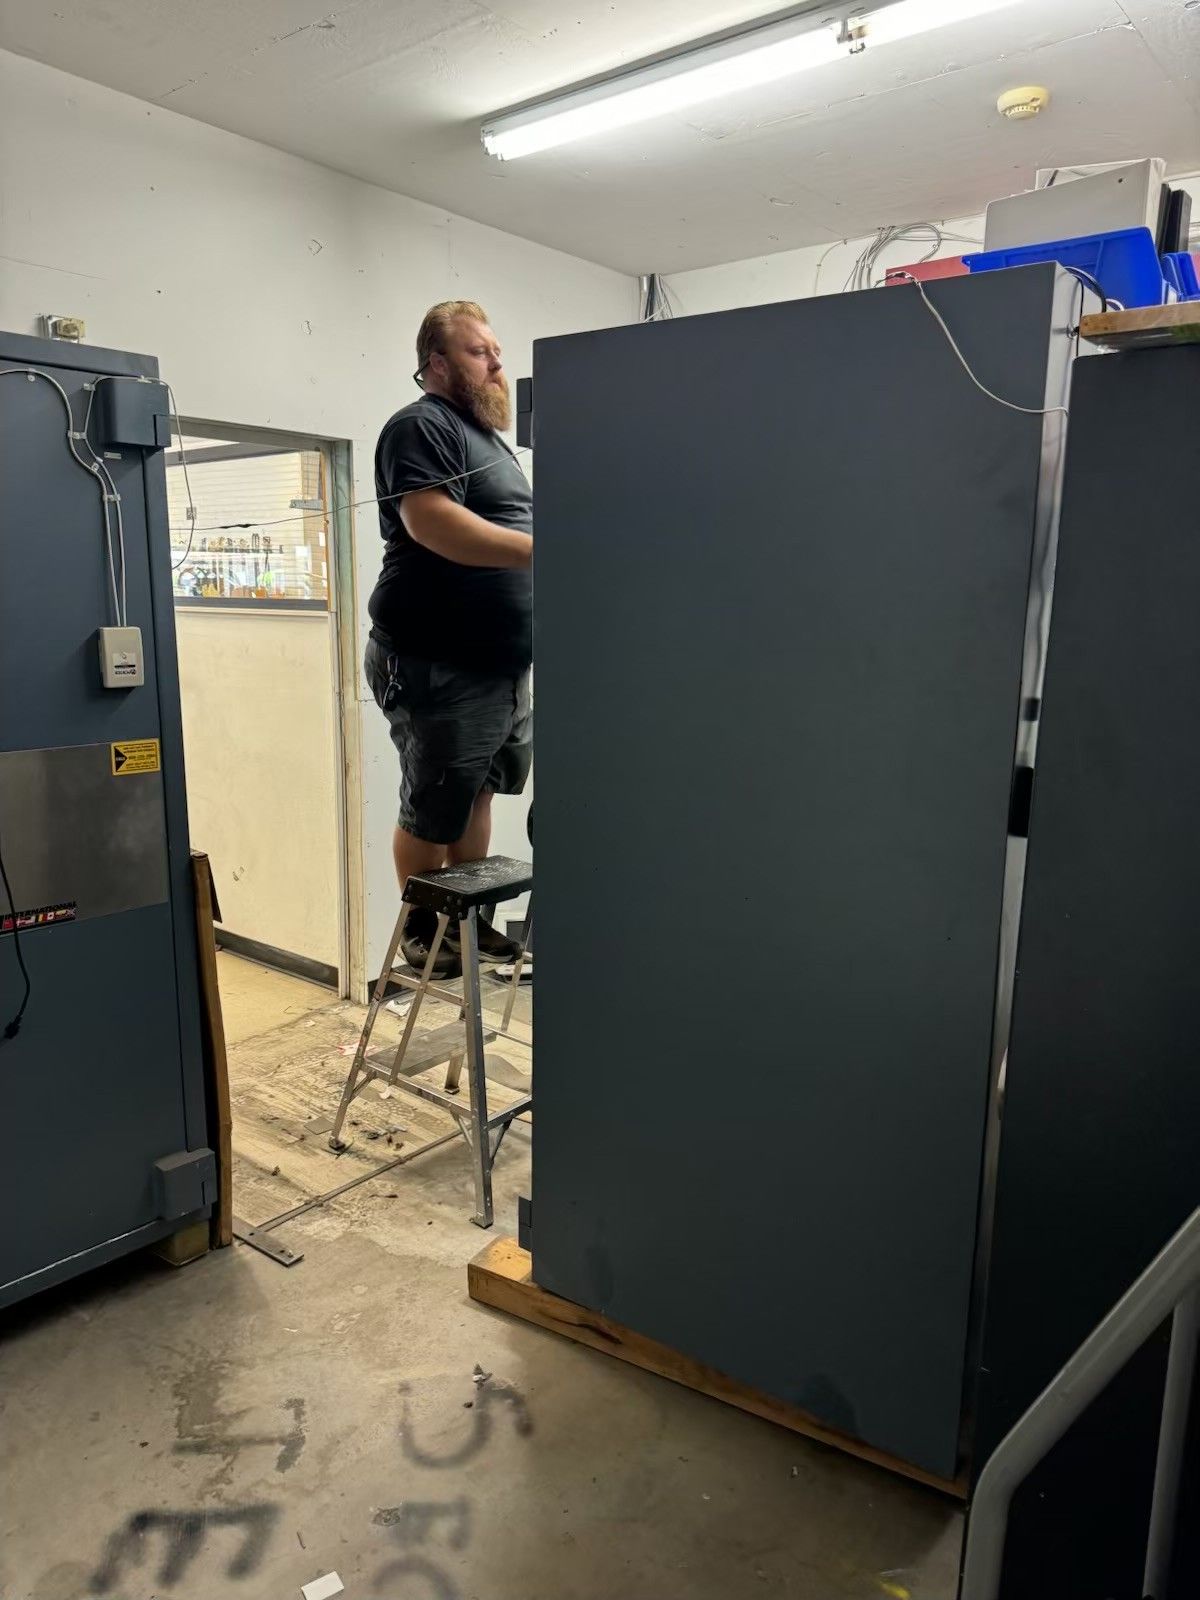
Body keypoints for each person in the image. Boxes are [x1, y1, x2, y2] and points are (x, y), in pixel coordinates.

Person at [365, 300, 532, 977]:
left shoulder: (486, 439)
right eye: (478, 351)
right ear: (437, 362)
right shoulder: (422, 425)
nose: (495, 363)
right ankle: (422, 927)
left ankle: (466, 919)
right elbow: (431, 521)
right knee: (434, 803)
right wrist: (545, 549)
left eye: (496, 351)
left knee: (476, 793)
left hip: (499, 666)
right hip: (437, 661)